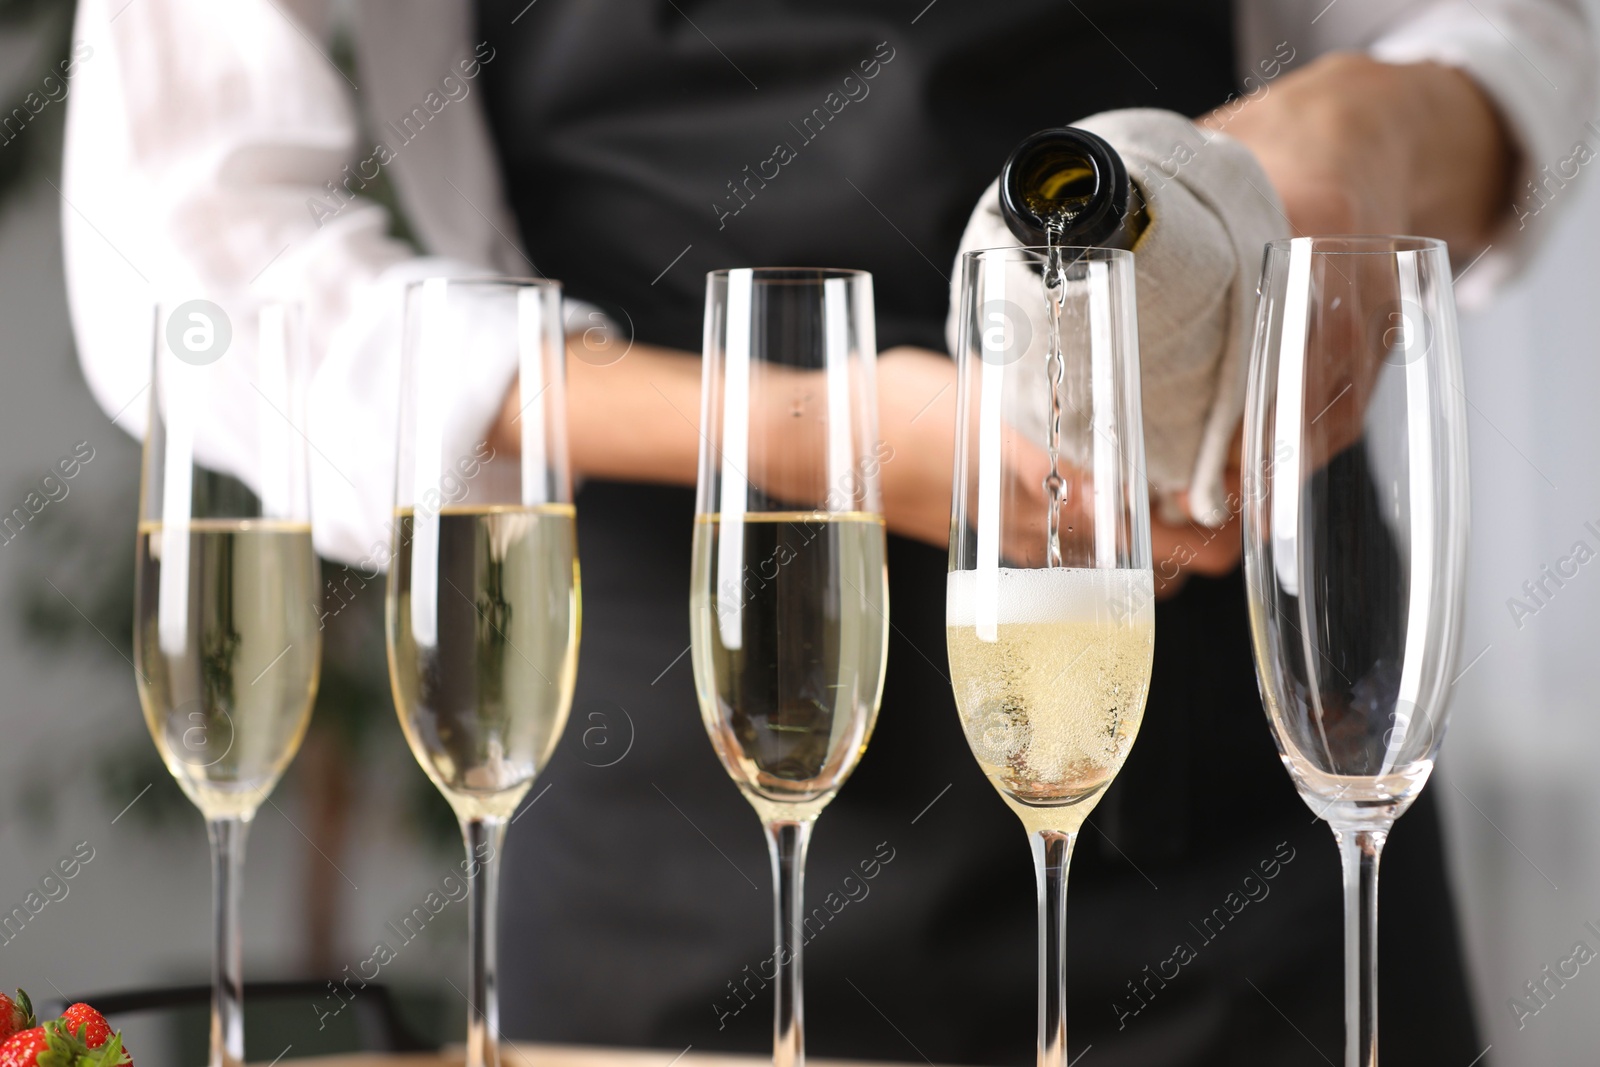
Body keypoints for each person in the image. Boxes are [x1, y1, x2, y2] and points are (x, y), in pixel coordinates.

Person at [61, 1, 1596, 1063]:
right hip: (673, 789)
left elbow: (1508, 37)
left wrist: (1380, 131)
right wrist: (807, 437)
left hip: (1234, 766)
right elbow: (185, 255)